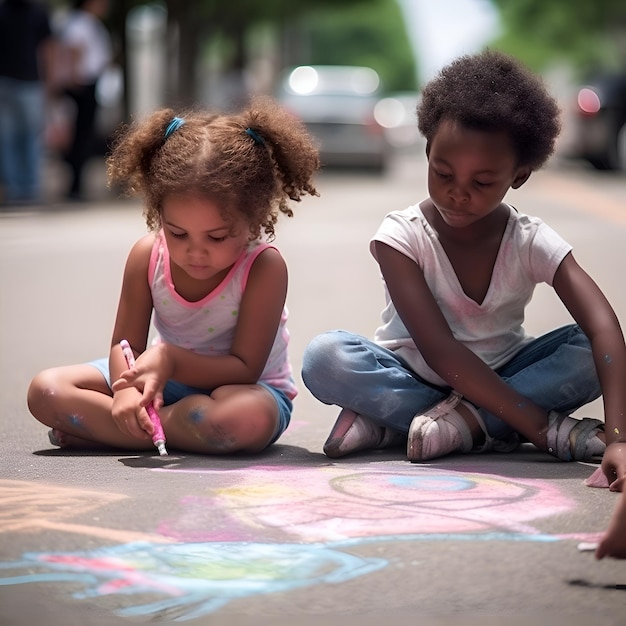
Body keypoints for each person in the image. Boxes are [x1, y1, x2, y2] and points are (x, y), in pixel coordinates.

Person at [301, 50, 626, 490]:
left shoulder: (529, 239)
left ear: (520, 175)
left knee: (589, 349)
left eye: (482, 182)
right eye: (442, 173)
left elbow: (604, 325)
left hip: (507, 374)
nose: (457, 194)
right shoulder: (401, 236)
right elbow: (438, 349)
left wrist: (619, 439)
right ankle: (475, 423)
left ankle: (410, 425)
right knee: (326, 358)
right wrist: (542, 428)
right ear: (428, 152)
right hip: (415, 374)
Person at [27, 96, 320, 454]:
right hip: (161, 383)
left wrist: (171, 361)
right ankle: (153, 425)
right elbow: (127, 347)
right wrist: (124, 391)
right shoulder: (147, 255)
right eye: (177, 233)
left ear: (253, 220)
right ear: (157, 212)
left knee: (242, 419)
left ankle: (116, 430)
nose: (195, 251)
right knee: (47, 390)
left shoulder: (264, 266)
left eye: (216, 237)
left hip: (243, 390)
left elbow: (244, 368)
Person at [56, 0, 112, 201]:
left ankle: (77, 183)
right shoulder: (80, 23)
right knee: (80, 136)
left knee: (84, 134)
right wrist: (73, 77)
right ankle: (74, 184)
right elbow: (75, 50)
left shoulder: (91, 24)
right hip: (82, 84)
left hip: (89, 83)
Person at [0, 0, 54, 206]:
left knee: (22, 138)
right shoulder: (35, 11)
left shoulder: (38, 12)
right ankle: (20, 189)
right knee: (14, 139)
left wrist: (48, 81)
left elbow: (48, 48)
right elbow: (48, 49)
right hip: (14, 83)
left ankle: (25, 189)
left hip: (28, 83)